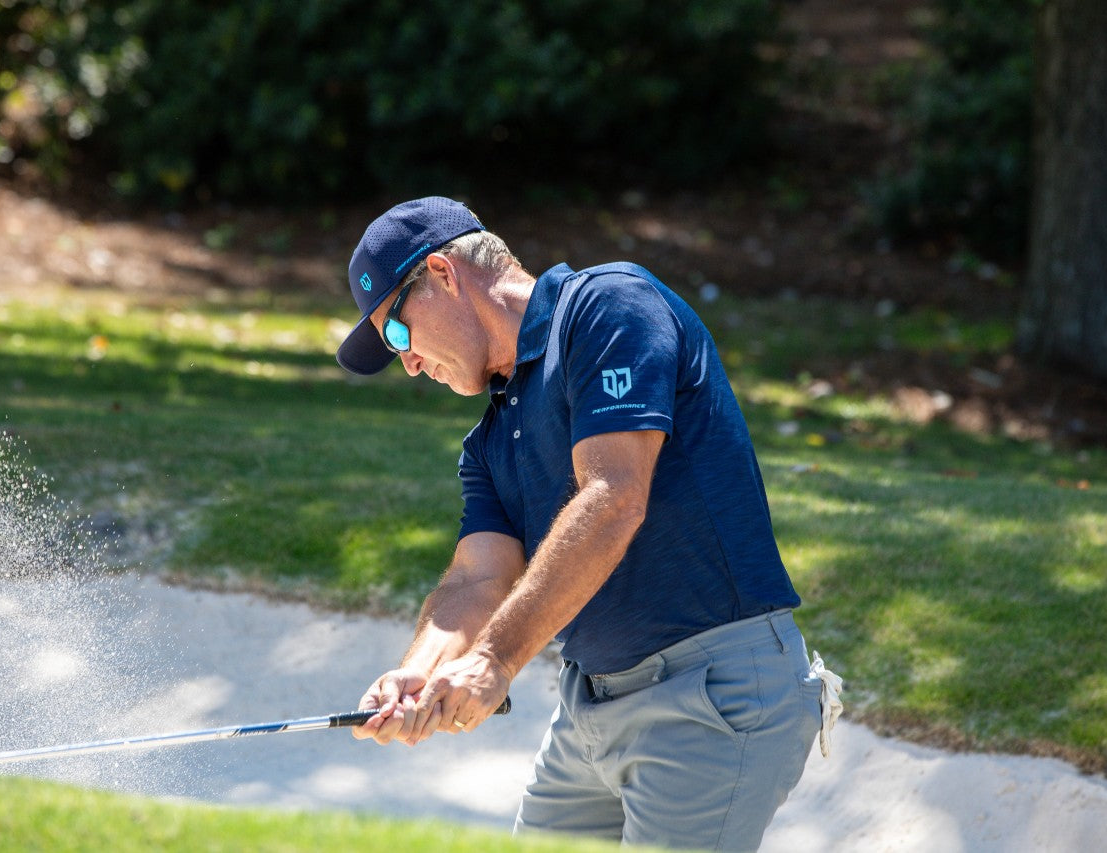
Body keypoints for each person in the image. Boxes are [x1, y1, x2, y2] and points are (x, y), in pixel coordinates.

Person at [335, 196, 842, 851]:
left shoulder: (607, 307)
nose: (406, 362)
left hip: (710, 696)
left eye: (397, 334)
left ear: (442, 273)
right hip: (590, 708)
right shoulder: (488, 443)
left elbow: (612, 498)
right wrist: (419, 675)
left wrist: (491, 661)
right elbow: (476, 579)